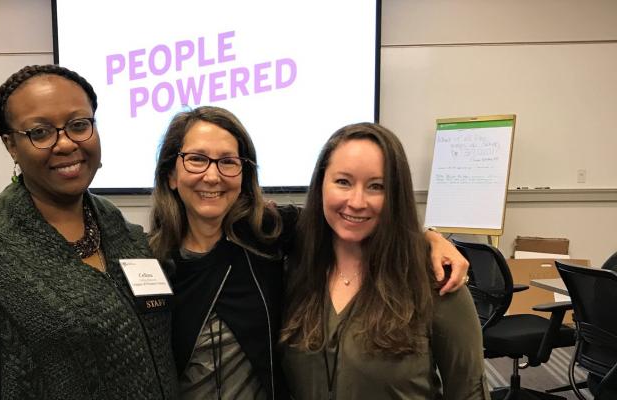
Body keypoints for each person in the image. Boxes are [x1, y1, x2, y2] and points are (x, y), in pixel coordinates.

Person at [149, 107, 471, 400]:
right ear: (171, 175)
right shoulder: (150, 261)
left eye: (228, 162)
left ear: (243, 175)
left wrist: (427, 239)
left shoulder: (267, 235)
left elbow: (344, 218)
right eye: (196, 159)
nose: (212, 175)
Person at [0, 65, 178, 399]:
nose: (66, 144)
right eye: (40, 132)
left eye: (79, 125)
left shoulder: (117, 227)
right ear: (11, 145)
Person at [280, 123, 488, 399]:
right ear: (320, 185)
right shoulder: (293, 266)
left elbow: (469, 390)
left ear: (395, 195)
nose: (356, 201)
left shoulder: (433, 278)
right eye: (343, 182)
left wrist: (427, 237)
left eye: (376, 186)